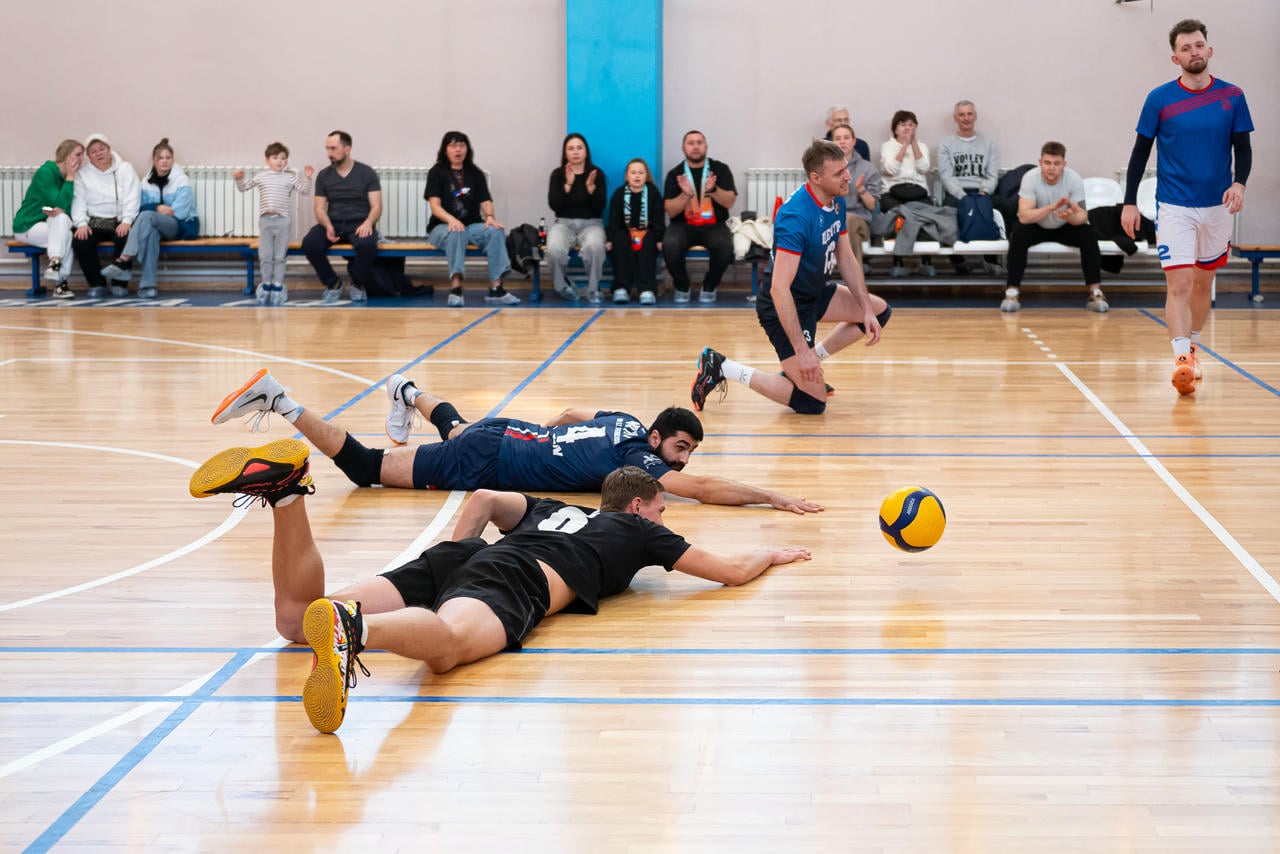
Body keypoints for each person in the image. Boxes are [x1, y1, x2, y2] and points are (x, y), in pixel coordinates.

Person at [189, 452, 812, 732]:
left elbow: (486, 498)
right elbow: (729, 572)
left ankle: (288, 492)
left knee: (295, 620)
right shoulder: (639, 530)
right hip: (516, 577)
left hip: (470, 556)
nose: (665, 518)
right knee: (448, 648)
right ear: (640, 508)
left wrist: (458, 559)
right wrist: (770, 554)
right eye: (662, 509)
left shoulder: (552, 508)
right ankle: (355, 630)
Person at [210, 367, 824, 514]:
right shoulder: (640, 456)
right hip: (495, 456)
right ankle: (280, 400)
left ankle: (406, 390)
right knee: (368, 469)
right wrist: (771, 497)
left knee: (457, 430)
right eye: (680, 450)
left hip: (505, 433)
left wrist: (548, 448)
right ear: (659, 439)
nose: (682, 463)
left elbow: (568, 413)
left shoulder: (624, 420)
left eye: (688, 454)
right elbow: (704, 490)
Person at [690, 140, 891, 416]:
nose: (848, 176)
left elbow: (846, 257)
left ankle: (802, 366)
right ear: (816, 178)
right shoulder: (795, 217)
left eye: (846, 168)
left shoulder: (836, 200)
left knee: (879, 312)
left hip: (814, 291)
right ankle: (721, 366)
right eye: (839, 173)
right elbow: (779, 288)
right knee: (813, 403)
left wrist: (865, 309)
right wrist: (801, 349)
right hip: (785, 305)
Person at [1121, 18, 1253, 396]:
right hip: (1174, 204)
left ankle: (1192, 348)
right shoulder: (1159, 99)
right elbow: (1139, 153)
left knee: (1202, 283)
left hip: (1217, 206)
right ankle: (1180, 359)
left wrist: (1239, 183)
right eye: (1185, 48)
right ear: (1174, 57)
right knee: (1179, 283)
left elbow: (1242, 149)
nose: (1193, 52)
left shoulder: (1233, 96)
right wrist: (1129, 202)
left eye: (1198, 45)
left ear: (1209, 50)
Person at [1000, 142, 1108, 314]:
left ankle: (1095, 292)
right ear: (1040, 162)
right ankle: (1012, 291)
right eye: (1047, 163)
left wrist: (1069, 216)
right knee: (1018, 233)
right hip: (1037, 224)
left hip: (1064, 225)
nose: (1051, 168)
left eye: (1056, 163)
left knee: (1088, 234)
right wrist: (1050, 208)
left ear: (1064, 164)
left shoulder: (1073, 179)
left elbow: (1082, 216)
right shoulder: (1030, 178)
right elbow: (1024, 216)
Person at [425, 130, 517, 307]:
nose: (458, 149)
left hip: (472, 225)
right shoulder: (437, 172)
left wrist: (490, 216)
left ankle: (496, 288)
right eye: (453, 146)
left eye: (462, 145)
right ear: (445, 149)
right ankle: (456, 288)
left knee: (495, 231)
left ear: (467, 149)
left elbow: (486, 200)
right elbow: (435, 207)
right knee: (456, 231)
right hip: (442, 226)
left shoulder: (475, 173)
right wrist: (451, 220)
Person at [99, 138, 200, 300]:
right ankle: (148, 287)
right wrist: (158, 208)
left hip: (181, 226)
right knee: (150, 233)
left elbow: (179, 213)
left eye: (168, 158)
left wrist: (153, 211)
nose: (165, 161)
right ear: (154, 160)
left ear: (172, 160)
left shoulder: (182, 181)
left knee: (147, 216)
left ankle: (124, 260)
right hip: (156, 225)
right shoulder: (146, 182)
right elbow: (140, 208)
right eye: (161, 158)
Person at [301, 130, 381, 304]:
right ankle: (333, 283)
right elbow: (319, 208)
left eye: (333, 148)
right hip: (333, 223)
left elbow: (376, 207)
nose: (329, 153)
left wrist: (368, 223)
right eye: (327, 149)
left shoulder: (367, 173)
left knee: (367, 245)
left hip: (359, 224)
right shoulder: (324, 175)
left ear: (347, 149)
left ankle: (357, 282)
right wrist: (328, 226)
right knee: (310, 243)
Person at [662, 131, 738, 304]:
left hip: (714, 224)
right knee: (670, 244)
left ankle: (710, 286)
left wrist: (713, 190)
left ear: (706, 146)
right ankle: (682, 286)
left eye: (699, 142)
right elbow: (670, 211)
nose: (695, 147)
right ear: (683, 148)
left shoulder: (720, 170)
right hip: (682, 225)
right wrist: (685, 194)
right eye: (690, 143)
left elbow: (729, 202)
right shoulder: (675, 174)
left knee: (725, 245)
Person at [236, 142, 315, 306]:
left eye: (283, 158)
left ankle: (278, 286)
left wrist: (308, 178)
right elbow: (243, 188)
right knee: (265, 255)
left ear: (287, 160)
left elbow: (305, 190)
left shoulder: (290, 177)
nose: (279, 161)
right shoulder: (261, 176)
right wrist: (239, 179)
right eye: (275, 158)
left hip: (283, 221)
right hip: (266, 220)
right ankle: (266, 285)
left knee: (280, 255)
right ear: (267, 160)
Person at [936, 100, 1005, 276]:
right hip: (957, 192)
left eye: (969, 114)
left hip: (982, 191)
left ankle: (991, 259)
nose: (966, 118)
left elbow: (992, 174)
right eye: (961, 114)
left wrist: (985, 191)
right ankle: (958, 260)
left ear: (975, 116)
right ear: (955, 118)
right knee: (947, 212)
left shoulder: (988, 144)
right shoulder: (946, 144)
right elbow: (946, 175)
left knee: (1004, 207)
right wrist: (961, 195)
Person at [70, 134, 141, 299]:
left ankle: (119, 284)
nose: (99, 153)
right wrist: (81, 223)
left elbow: (133, 197)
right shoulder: (82, 174)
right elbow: (78, 201)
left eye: (102, 149)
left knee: (125, 236)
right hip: (94, 221)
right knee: (80, 239)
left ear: (109, 150)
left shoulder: (125, 169)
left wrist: (127, 220)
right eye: (93, 151)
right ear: (89, 156)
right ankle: (97, 283)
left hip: (119, 220)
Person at [12, 139, 82, 299]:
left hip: (50, 224)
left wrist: (69, 180)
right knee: (65, 235)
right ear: (66, 156)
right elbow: (59, 203)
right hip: (28, 225)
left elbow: (65, 209)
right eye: (78, 155)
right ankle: (60, 283)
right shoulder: (46, 173)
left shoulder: (68, 179)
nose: (81, 159)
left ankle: (55, 263)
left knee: (64, 227)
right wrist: (70, 177)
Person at [546, 133, 607, 304]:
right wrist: (568, 185)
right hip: (564, 223)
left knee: (595, 246)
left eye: (579, 148)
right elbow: (554, 206)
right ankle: (563, 286)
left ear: (586, 152)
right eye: (571, 148)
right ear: (565, 153)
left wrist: (591, 189)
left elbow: (600, 207)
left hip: (591, 224)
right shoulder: (558, 174)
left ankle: (593, 289)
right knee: (554, 249)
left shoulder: (596, 174)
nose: (575, 152)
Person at [878, 110, 934, 278]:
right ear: (895, 128)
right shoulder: (887, 146)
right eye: (903, 125)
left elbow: (924, 168)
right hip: (893, 192)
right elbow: (891, 169)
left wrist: (913, 144)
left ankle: (926, 261)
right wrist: (904, 146)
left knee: (926, 212)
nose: (907, 128)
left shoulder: (921, 146)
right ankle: (898, 261)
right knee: (899, 213)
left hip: (918, 191)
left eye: (911, 125)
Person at [606, 158, 664, 305]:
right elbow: (613, 220)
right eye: (633, 173)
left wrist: (659, 239)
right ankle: (621, 288)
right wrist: (610, 239)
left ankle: (647, 289)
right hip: (625, 231)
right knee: (619, 242)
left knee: (648, 246)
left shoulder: (653, 193)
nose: (637, 176)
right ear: (627, 176)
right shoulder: (619, 194)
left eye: (641, 172)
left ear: (646, 175)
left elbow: (659, 218)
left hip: (647, 231)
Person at [829, 124, 880, 274]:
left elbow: (872, 205)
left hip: (860, 221)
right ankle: (855, 283)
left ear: (854, 141)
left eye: (846, 138)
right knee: (851, 234)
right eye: (838, 138)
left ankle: (837, 268)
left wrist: (861, 190)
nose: (842, 142)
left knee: (848, 219)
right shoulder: (825, 168)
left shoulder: (868, 168)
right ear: (832, 142)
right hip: (830, 220)